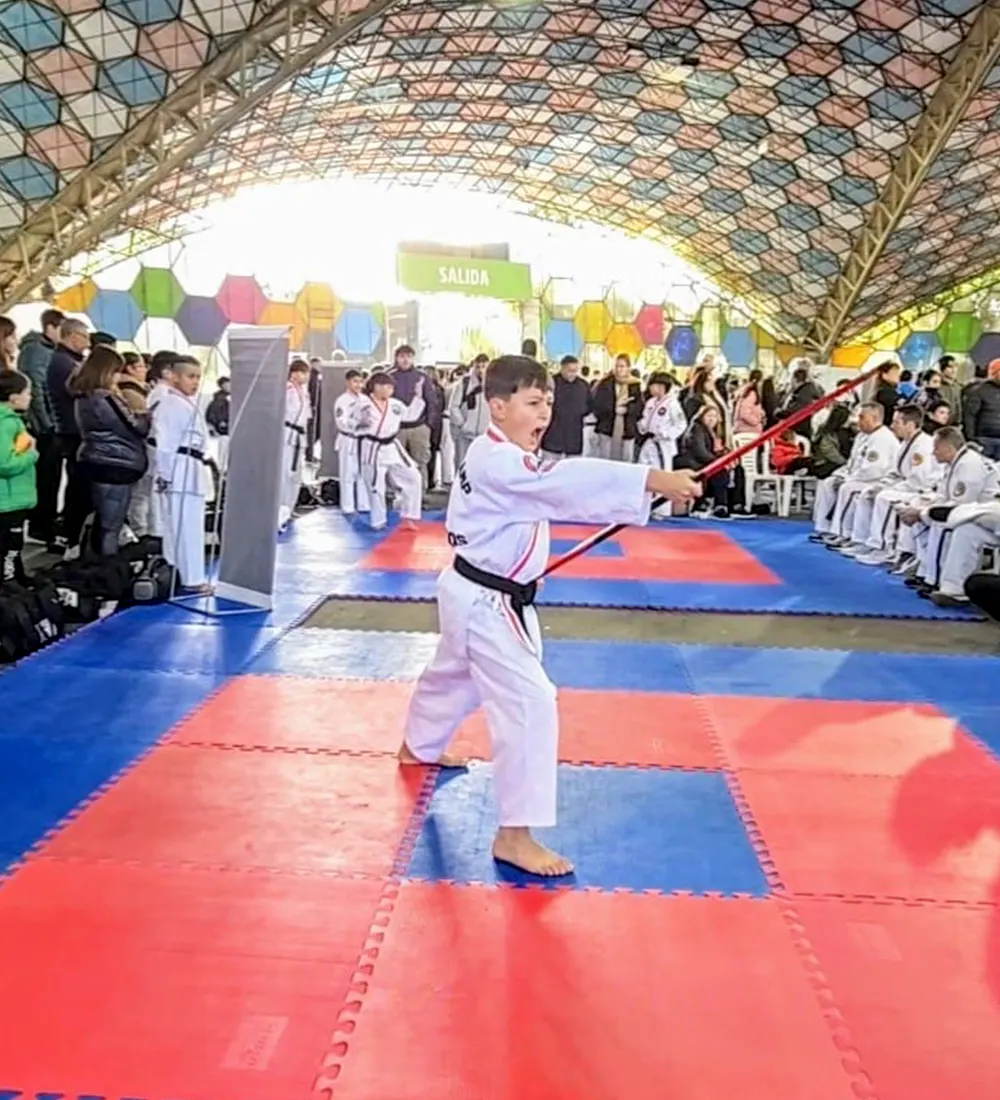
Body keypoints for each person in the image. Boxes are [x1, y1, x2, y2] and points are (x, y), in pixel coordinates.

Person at [398, 355, 701, 877]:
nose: (544, 414)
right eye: (533, 403)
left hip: (470, 590)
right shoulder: (502, 462)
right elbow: (565, 482)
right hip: (487, 605)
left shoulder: (493, 452)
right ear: (498, 407)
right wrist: (654, 479)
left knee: (451, 674)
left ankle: (416, 745)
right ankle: (514, 835)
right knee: (531, 704)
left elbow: (551, 493)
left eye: (548, 404)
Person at [897, 427, 998, 595]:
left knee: (941, 524)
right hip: (974, 515)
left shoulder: (969, 465)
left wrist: (925, 513)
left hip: (987, 517)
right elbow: (944, 497)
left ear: (948, 448)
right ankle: (926, 573)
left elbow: (962, 504)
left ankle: (934, 581)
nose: (933, 453)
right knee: (921, 512)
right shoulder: (956, 462)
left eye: (936, 448)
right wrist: (922, 509)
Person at [70, 346, 150, 556]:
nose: (118, 376)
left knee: (102, 521)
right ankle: (106, 570)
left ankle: (95, 563)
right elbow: (136, 426)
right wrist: (146, 414)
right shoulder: (105, 397)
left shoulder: (82, 396)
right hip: (115, 463)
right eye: (116, 371)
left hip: (96, 458)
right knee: (110, 526)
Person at [840, 405, 937, 564]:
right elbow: (895, 472)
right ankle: (862, 540)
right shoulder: (906, 443)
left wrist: (890, 488)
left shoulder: (923, 445)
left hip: (922, 490)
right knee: (869, 493)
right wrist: (882, 485)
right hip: (906, 486)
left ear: (910, 425)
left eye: (897, 422)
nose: (892, 426)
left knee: (884, 498)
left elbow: (919, 480)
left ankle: (883, 548)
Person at [154, 356, 209, 593]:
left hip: (191, 466)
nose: (195, 382)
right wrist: (166, 475)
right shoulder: (170, 404)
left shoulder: (185, 402)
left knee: (190, 525)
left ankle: (185, 575)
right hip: (179, 469)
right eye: (190, 376)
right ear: (174, 376)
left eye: (198, 377)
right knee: (183, 526)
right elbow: (165, 444)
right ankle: (189, 578)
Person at [812, 402, 898, 544]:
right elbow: (851, 462)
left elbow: (873, 470)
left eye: (862, 417)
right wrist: (841, 475)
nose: (858, 421)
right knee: (829, 482)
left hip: (876, 480)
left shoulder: (883, 438)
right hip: (858, 476)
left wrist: (848, 479)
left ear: (874, 418)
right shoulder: (862, 436)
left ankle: (843, 533)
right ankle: (824, 528)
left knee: (847, 488)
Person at [17, 307, 64, 547]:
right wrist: (47, 424)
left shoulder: (45, 351)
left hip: (46, 424)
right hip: (42, 427)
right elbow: (36, 388)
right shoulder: (36, 350)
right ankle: (40, 525)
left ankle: (44, 521)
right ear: (50, 328)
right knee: (46, 477)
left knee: (51, 477)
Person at [355, 370, 423, 532]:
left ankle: (409, 516)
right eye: (386, 386)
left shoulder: (395, 405)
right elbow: (351, 424)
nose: (389, 390)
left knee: (413, 477)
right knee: (376, 486)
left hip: (391, 447)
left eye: (391, 387)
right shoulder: (362, 404)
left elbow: (411, 416)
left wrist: (418, 397)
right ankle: (378, 521)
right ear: (376, 387)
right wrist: (361, 426)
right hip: (372, 448)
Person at [46, 317, 91, 552]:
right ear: (73, 336)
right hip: (73, 432)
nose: (87, 342)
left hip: (71, 430)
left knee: (79, 487)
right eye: (85, 337)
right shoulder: (64, 363)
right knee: (78, 488)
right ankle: (72, 536)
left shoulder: (67, 361)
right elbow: (82, 389)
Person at [0, 371, 37, 586]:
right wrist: (31, 454)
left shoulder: (13, 421)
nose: (30, 397)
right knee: (10, 547)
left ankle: (18, 579)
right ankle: (10, 585)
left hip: (11, 497)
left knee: (13, 545)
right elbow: (5, 463)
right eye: (27, 393)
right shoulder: (6, 424)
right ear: (14, 397)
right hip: (9, 499)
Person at [636, 371, 686, 518]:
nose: (651, 389)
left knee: (662, 475)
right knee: (643, 471)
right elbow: (645, 419)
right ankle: (644, 506)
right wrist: (642, 426)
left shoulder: (672, 403)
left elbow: (681, 424)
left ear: (662, 387)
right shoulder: (650, 402)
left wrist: (666, 434)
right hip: (649, 440)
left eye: (653, 385)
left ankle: (661, 510)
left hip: (663, 444)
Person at [388, 344, 432, 489]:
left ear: (413, 359)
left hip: (419, 427)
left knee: (420, 462)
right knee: (396, 463)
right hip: (397, 428)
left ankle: (421, 494)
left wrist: (429, 425)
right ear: (396, 358)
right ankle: (398, 494)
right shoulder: (389, 377)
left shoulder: (422, 377)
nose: (405, 360)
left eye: (408, 356)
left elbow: (432, 402)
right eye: (402, 356)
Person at [279, 359, 312, 532]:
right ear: (293, 373)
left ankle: (290, 509)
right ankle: (280, 512)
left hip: (299, 436)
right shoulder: (287, 389)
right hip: (287, 434)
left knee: (295, 476)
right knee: (285, 475)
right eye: (301, 372)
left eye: (306, 373)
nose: (304, 376)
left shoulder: (304, 392)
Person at [541, 355, 592, 460]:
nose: (573, 374)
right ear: (562, 368)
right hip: (553, 434)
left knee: (573, 469)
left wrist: (580, 413)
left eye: (575, 370)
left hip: (574, 435)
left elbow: (589, 405)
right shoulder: (551, 383)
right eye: (570, 370)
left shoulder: (583, 385)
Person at [333, 369, 370, 516]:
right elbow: (341, 422)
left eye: (361, 381)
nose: (358, 385)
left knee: (363, 473)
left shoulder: (365, 399)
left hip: (363, 439)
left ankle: (363, 504)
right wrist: (356, 422)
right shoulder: (342, 400)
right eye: (355, 381)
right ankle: (347, 506)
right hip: (348, 438)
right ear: (348, 382)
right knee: (348, 474)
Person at [592, 354, 642, 460]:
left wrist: (627, 410)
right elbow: (598, 405)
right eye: (617, 366)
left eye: (622, 366)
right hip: (607, 428)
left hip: (627, 429)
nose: (619, 369)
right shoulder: (605, 383)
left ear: (628, 368)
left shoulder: (634, 384)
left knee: (626, 461)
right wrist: (614, 409)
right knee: (606, 459)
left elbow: (639, 407)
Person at [449, 353, 490, 469]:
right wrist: (462, 424)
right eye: (478, 366)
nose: (481, 370)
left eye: (484, 366)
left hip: (484, 435)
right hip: (465, 434)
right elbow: (453, 406)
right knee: (462, 464)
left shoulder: (493, 384)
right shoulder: (464, 383)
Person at [962, 358, 1000, 460]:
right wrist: (971, 438)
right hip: (983, 439)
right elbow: (969, 415)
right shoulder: (978, 390)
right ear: (994, 373)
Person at [732, 369, 765, 436]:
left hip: (742, 428)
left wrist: (760, 413)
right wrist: (756, 421)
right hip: (748, 430)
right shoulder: (751, 394)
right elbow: (744, 413)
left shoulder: (745, 391)